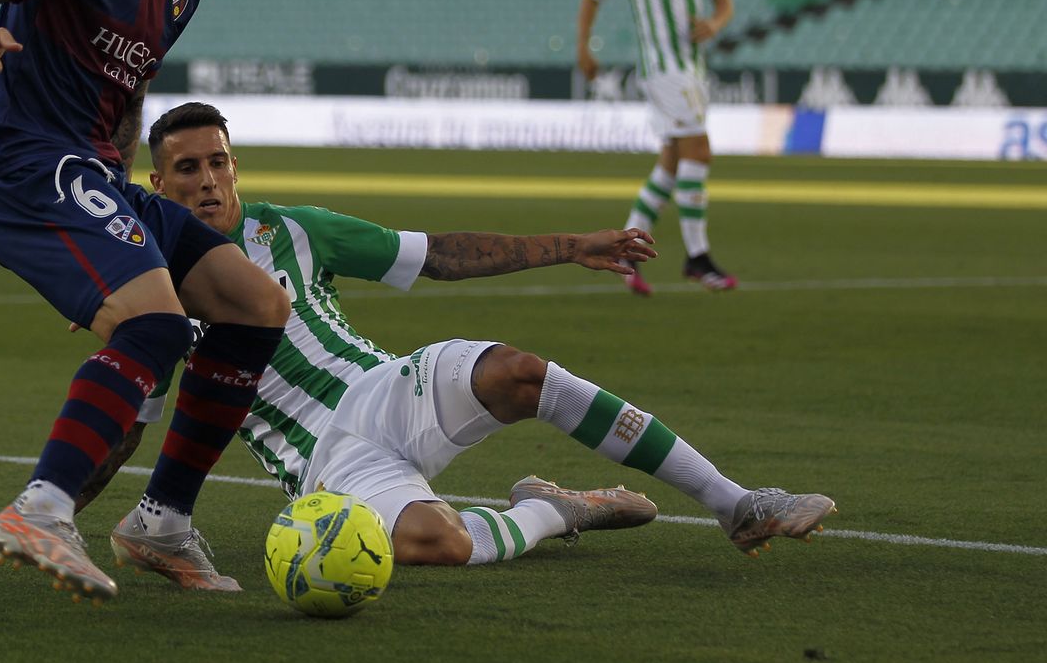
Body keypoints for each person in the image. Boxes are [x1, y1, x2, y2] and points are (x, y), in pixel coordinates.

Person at [77, 101, 837, 569]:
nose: (207, 180)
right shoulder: (155, 284)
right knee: (434, 546)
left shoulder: (298, 230)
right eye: (186, 170)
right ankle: (555, 510)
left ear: (236, 167)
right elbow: (130, 423)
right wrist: (57, 507)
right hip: (323, 459)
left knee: (521, 372)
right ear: (159, 186)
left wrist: (570, 244)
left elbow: (437, 254)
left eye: (217, 163)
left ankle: (738, 503)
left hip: (386, 390)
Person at [0, 0, 290, 603]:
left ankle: (161, 522)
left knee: (258, 303)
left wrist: (120, 231)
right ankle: (42, 508)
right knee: (158, 327)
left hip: (92, 175)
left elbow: (127, 94)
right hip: (19, 166)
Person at [577, 0, 737, 296]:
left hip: (693, 67)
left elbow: (724, 1)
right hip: (663, 68)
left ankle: (627, 248)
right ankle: (697, 256)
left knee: (671, 160)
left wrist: (715, 23)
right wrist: (583, 48)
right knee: (699, 150)